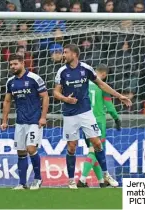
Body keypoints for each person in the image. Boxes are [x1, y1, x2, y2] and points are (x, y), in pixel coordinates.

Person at [54, 44, 132, 189]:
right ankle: (71, 180)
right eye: (63, 52)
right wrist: (65, 99)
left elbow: (101, 84)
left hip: (86, 113)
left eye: (66, 52)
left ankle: (106, 175)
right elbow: (55, 92)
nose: (63, 55)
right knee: (72, 147)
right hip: (70, 114)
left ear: (75, 54)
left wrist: (119, 96)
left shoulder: (86, 69)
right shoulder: (62, 71)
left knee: (97, 143)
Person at [1, 54, 49, 190]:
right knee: (21, 152)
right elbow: (7, 101)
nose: (12, 67)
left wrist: (43, 117)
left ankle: (38, 179)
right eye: (11, 64)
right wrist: (4, 121)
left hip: (34, 120)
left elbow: (45, 97)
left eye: (15, 64)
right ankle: (22, 183)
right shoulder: (10, 82)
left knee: (31, 148)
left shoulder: (35, 78)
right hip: (20, 122)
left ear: (22, 63)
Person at [77, 63, 121, 188]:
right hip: (98, 122)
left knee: (94, 151)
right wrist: (117, 119)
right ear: (104, 74)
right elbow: (110, 107)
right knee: (95, 150)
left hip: (84, 120)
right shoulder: (103, 87)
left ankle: (102, 181)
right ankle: (82, 179)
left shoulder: (84, 84)